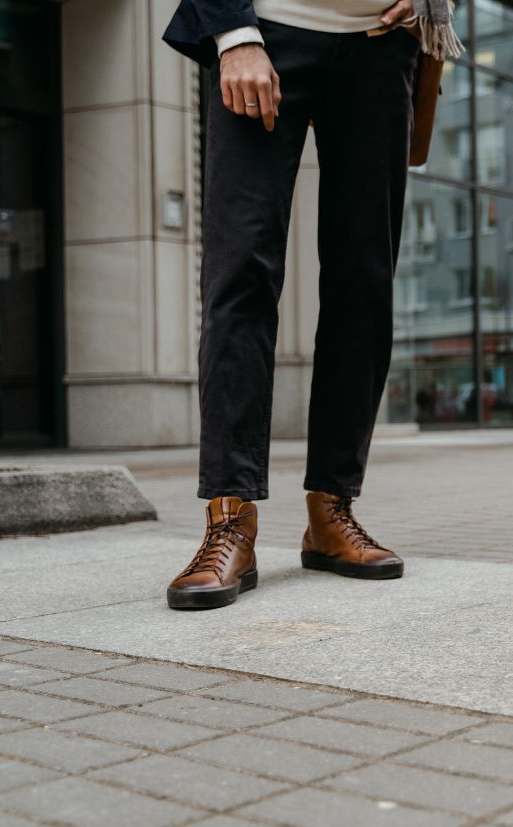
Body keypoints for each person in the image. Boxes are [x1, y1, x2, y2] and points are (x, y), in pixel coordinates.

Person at [160, 0, 460, 610]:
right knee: (240, 272)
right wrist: (234, 32)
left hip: (382, 43)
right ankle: (229, 518)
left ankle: (331, 511)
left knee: (364, 284)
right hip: (266, 30)